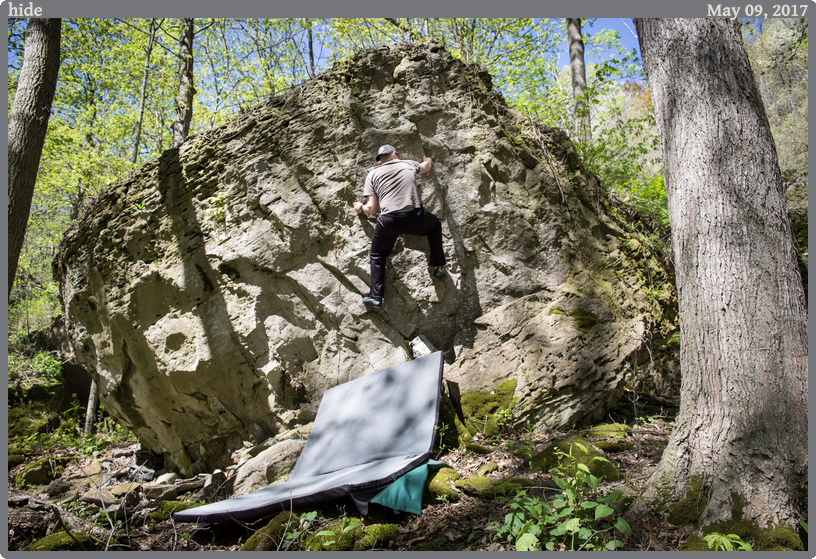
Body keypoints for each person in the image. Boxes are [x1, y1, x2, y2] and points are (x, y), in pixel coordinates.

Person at [353, 144, 447, 308]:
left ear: (380, 160)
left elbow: (372, 208)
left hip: (387, 221)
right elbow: (425, 168)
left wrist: (359, 208)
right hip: (412, 218)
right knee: (434, 226)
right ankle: (438, 267)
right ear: (395, 154)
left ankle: (376, 296)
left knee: (377, 255)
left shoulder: (373, 174)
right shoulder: (407, 164)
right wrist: (428, 161)